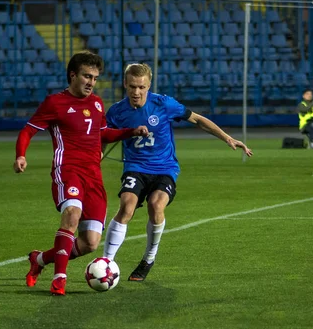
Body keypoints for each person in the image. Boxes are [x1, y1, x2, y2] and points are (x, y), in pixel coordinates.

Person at [13, 51, 149, 296]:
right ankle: (59, 280)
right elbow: (27, 131)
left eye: (95, 78)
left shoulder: (97, 103)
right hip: (68, 170)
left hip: (94, 177)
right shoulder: (55, 103)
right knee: (72, 215)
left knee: (90, 243)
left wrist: (131, 131)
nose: (91, 82)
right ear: (73, 75)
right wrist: (21, 155)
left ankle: (40, 260)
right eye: (87, 76)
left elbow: (102, 134)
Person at [102, 63, 253, 281]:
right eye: (132, 87)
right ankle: (106, 262)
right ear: (125, 84)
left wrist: (227, 138)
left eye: (141, 87)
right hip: (135, 167)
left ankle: (148, 258)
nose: (136, 92)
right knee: (126, 206)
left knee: (156, 205)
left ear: (149, 85)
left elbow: (198, 119)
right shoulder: (117, 111)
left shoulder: (164, 104)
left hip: (164, 168)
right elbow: (103, 136)